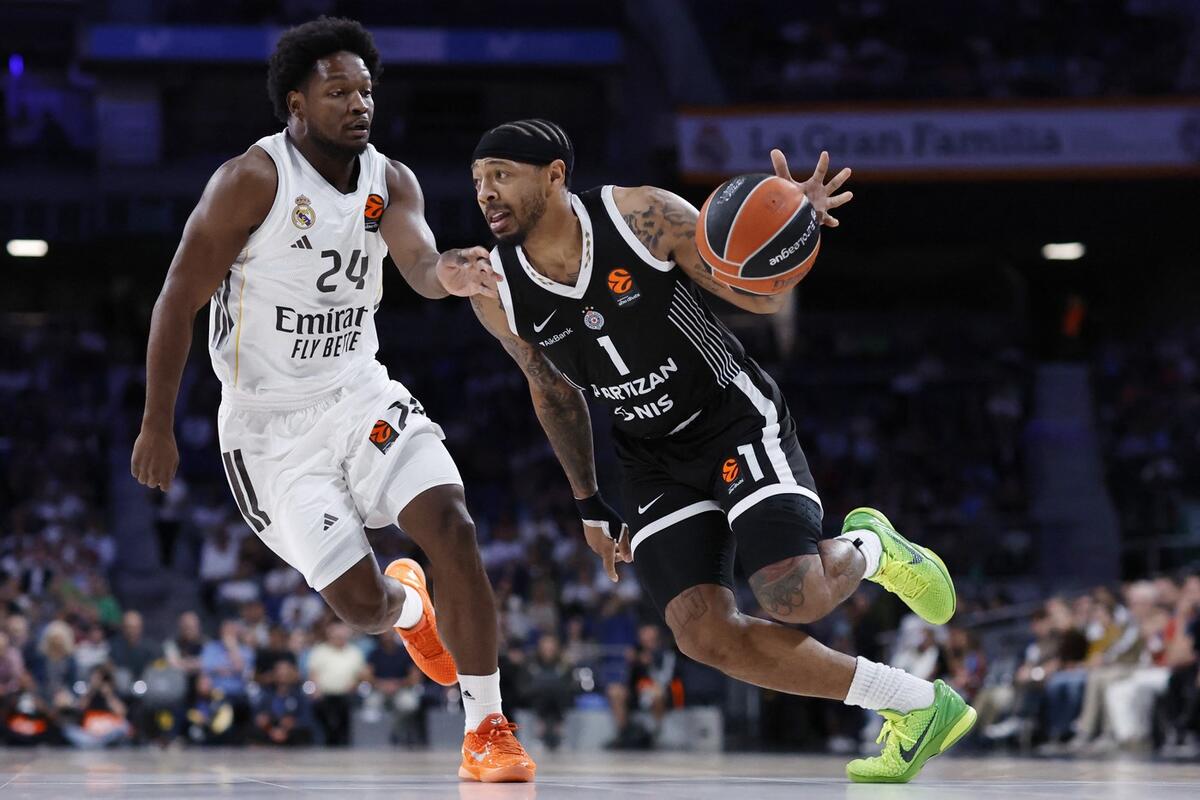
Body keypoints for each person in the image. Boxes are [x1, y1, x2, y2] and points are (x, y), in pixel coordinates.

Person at [465, 118, 974, 783]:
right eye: (478, 180)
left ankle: (873, 547)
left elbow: (758, 298)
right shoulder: (497, 290)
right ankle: (915, 705)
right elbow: (553, 393)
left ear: (555, 176)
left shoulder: (641, 217)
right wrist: (589, 502)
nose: (486, 192)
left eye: (501, 175)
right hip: (649, 455)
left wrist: (785, 225)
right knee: (702, 632)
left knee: (793, 596)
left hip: (730, 418)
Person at [129, 18, 531, 782]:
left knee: (452, 524)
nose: (358, 104)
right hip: (269, 428)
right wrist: (157, 424)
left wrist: (449, 272)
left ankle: (487, 728)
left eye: (366, 91)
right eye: (338, 91)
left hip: (357, 392)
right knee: (360, 605)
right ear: (296, 104)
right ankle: (409, 607)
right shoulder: (251, 180)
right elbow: (176, 299)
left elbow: (418, 261)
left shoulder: (391, 180)